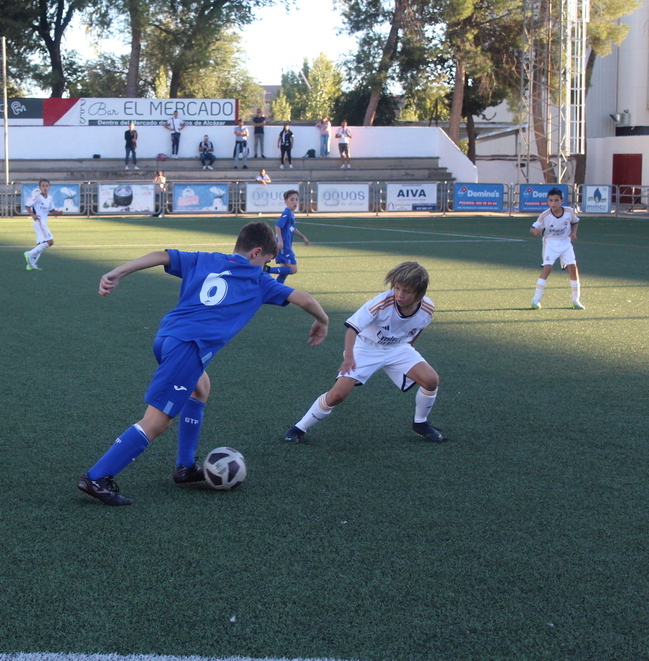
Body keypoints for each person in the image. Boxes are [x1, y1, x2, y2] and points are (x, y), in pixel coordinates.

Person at [78, 222, 330, 505]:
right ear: (256, 253)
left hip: (168, 338)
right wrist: (323, 320)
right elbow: (305, 299)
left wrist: (117, 272)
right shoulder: (258, 281)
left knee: (201, 388)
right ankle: (97, 477)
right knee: (157, 421)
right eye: (266, 261)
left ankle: (184, 468)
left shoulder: (205, 259)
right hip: (188, 349)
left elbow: (161, 255)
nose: (265, 267)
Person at [282, 261, 443, 445]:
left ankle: (420, 423)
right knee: (338, 395)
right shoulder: (381, 302)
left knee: (431, 380)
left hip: (398, 348)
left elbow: (418, 327)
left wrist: (409, 347)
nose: (399, 294)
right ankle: (298, 428)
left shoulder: (427, 308)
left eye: (406, 291)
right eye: (397, 288)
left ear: (419, 293)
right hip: (366, 347)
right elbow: (352, 329)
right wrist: (349, 358)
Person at [529, 187, 583, 309]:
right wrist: (535, 232)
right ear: (548, 202)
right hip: (551, 244)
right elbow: (532, 228)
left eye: (556, 200)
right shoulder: (545, 215)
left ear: (561, 201)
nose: (553, 203)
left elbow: (575, 222)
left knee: (573, 268)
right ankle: (536, 300)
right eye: (551, 200)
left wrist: (573, 233)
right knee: (547, 269)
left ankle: (576, 300)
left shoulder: (569, 212)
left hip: (565, 244)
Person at [267, 190, 309, 284]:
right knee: (293, 269)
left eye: (296, 200)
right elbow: (278, 226)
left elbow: (292, 229)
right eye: (292, 199)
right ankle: (266, 270)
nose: (295, 202)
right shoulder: (287, 213)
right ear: (286, 201)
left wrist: (303, 237)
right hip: (284, 247)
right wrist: (280, 241)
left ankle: (276, 290)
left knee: (284, 271)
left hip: (284, 246)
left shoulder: (291, 214)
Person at [24, 179, 61, 271]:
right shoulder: (38, 197)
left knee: (40, 244)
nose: (45, 187)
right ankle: (30, 253)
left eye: (46, 186)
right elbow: (27, 205)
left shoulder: (50, 198)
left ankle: (30, 265)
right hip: (39, 222)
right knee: (50, 242)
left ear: (49, 187)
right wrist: (33, 215)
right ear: (40, 188)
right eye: (43, 186)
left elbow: (51, 210)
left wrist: (59, 213)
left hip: (44, 222)